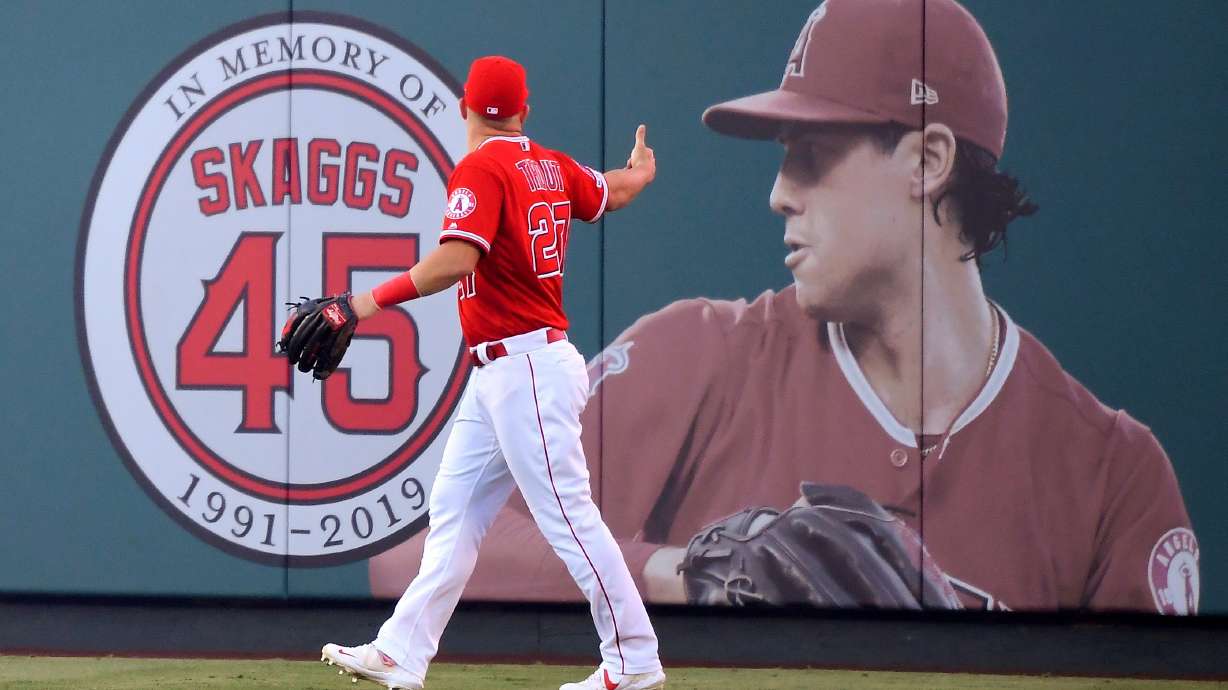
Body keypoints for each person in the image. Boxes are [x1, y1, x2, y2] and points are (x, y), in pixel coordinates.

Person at [370, 0, 1198, 615]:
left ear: (927, 161)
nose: (777, 194)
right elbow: (410, 562)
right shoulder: (698, 357)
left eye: (810, 156)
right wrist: (686, 573)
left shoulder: (1113, 478)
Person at [318, 56, 667, 690]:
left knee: (568, 517)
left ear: (465, 108)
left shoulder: (482, 166)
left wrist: (363, 303)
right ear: (524, 112)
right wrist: (640, 172)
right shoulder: (551, 164)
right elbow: (609, 190)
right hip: (507, 371)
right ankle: (401, 651)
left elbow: (455, 260)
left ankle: (634, 661)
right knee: (454, 510)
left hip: (525, 367)